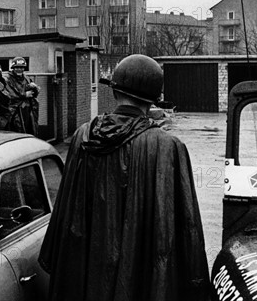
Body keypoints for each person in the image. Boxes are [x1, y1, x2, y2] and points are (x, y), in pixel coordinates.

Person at [39, 54, 210, 301]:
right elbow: (186, 227)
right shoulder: (167, 146)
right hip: (140, 282)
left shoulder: (82, 136)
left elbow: (65, 213)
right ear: (153, 100)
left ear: (115, 91)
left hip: (87, 279)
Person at [5, 57, 40, 136]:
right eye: (17, 67)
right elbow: (10, 94)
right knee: (17, 132)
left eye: (21, 67)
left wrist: (34, 88)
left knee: (29, 130)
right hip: (15, 111)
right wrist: (25, 94)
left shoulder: (26, 78)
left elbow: (35, 93)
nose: (19, 69)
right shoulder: (8, 79)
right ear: (13, 68)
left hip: (27, 110)